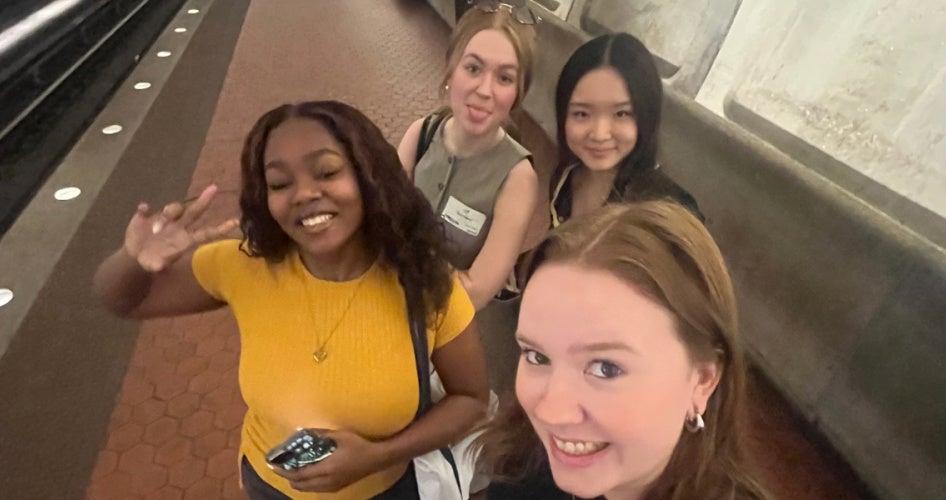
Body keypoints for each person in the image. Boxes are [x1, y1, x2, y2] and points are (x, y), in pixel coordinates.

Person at [93, 101, 489, 499]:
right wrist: (135, 260)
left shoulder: (423, 280)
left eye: (328, 172)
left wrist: (378, 456)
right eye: (280, 184)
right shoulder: (245, 265)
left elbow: (469, 399)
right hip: (269, 488)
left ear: (369, 177)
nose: (304, 194)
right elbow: (123, 300)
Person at [476, 201, 770, 499]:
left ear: (702, 381)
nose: (551, 412)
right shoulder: (521, 464)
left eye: (606, 368)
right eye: (537, 356)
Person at [397, 1, 539, 310]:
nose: (485, 90)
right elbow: (382, 220)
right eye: (473, 68)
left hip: (445, 329)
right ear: (451, 69)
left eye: (504, 78)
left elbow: (474, 293)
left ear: (518, 92)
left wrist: (402, 262)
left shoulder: (517, 179)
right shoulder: (420, 135)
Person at [549, 33, 702, 229]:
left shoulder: (668, 215)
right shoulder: (566, 177)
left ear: (647, 115)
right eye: (581, 114)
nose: (599, 134)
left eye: (621, 114)